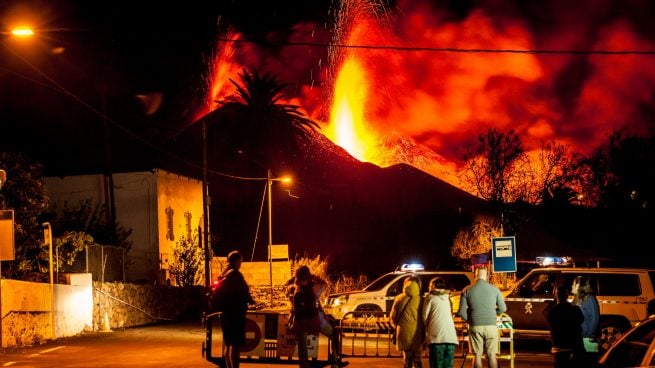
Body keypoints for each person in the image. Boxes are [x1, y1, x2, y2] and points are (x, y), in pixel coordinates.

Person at [211, 250, 255, 368]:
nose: (241, 263)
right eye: (241, 260)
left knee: (228, 344)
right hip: (236, 314)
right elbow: (244, 292)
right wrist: (252, 302)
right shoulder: (235, 274)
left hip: (225, 314)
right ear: (236, 260)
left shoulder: (224, 274)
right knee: (235, 346)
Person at [457, 267, 506, 368]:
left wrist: (471, 319)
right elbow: (503, 308)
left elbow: (461, 312)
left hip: (475, 325)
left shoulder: (466, 290)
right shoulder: (495, 289)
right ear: (487, 276)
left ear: (475, 276)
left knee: (477, 355)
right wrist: (493, 314)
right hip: (491, 326)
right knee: (492, 355)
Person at [543, 284, 586, 368]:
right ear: (567, 295)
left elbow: (545, 313)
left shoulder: (552, 312)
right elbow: (581, 320)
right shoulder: (575, 309)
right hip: (574, 347)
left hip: (559, 348)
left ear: (556, 295)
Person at [422, 277, 458, 368]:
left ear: (433, 286)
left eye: (430, 286)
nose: (429, 288)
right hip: (451, 338)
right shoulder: (448, 298)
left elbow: (424, 316)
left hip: (436, 339)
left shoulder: (430, 297)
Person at [390, 276, 425, 368]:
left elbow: (393, 317)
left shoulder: (399, 298)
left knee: (407, 358)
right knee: (417, 358)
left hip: (403, 332)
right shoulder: (422, 299)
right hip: (418, 333)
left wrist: (398, 325)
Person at [292, 265, 323, 368]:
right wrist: (313, 276)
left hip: (302, 322)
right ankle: (334, 358)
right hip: (312, 320)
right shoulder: (312, 287)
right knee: (303, 346)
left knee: (302, 347)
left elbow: (297, 310)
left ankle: (304, 365)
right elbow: (323, 283)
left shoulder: (297, 290)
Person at [572, 276, 600, 364]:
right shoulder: (576, 299)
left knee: (587, 361)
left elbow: (595, 317)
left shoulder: (589, 299)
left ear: (578, 286)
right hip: (579, 337)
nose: (571, 286)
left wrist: (590, 334)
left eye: (573, 284)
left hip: (586, 338)